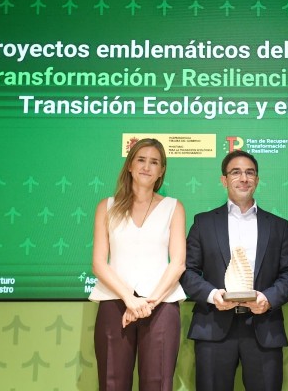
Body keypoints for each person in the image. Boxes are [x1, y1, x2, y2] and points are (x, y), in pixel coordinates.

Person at [180, 150, 288, 391]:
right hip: (213, 326)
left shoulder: (279, 226)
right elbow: (187, 271)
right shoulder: (203, 223)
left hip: (264, 328)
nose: (244, 178)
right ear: (224, 180)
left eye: (250, 173)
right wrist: (213, 296)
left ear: (257, 179)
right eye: (236, 172)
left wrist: (268, 299)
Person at [88, 138, 186, 391]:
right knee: (112, 382)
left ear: (161, 171)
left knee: (158, 383)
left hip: (161, 305)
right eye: (141, 160)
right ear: (130, 165)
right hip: (114, 302)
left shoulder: (173, 207)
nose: (146, 166)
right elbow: (98, 263)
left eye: (154, 162)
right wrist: (129, 299)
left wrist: (147, 303)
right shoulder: (106, 207)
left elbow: (177, 263)